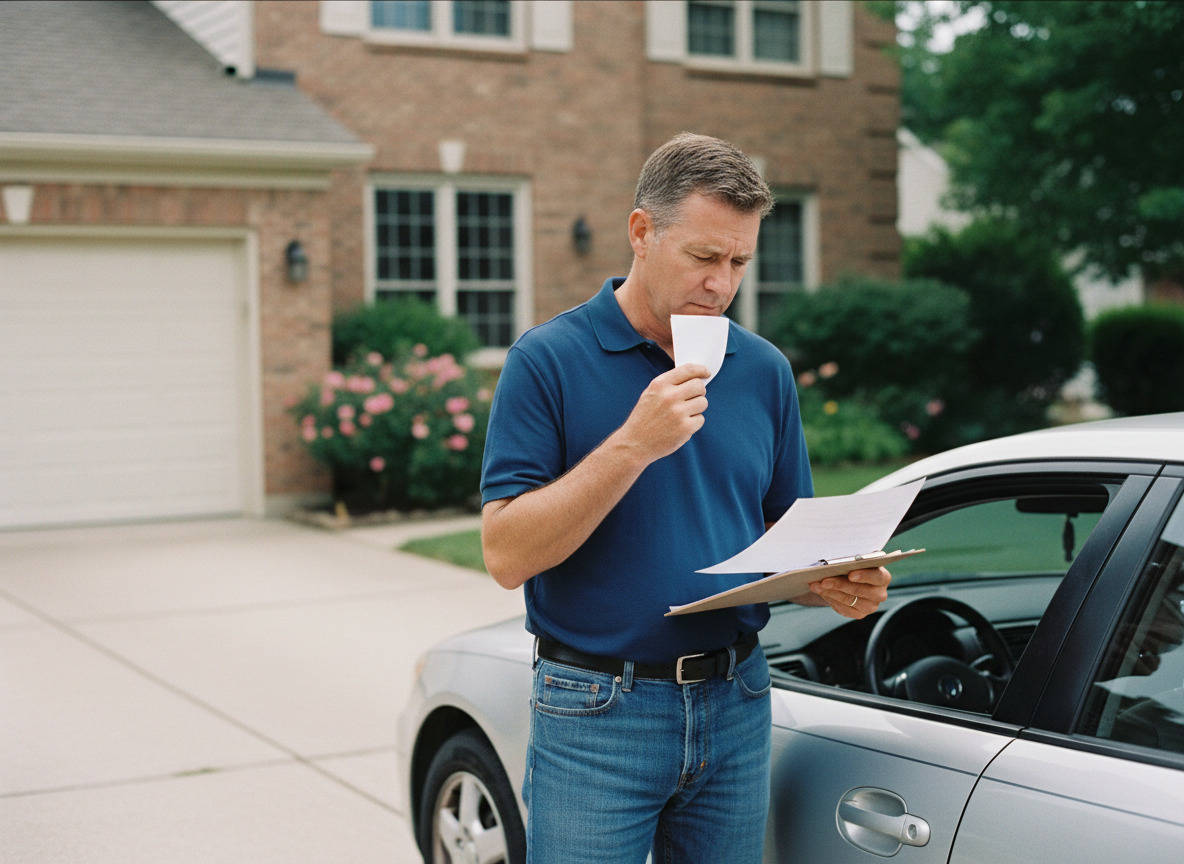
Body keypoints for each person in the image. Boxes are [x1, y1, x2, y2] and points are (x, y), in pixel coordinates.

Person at [480, 132, 891, 864]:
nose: (721, 285)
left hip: (737, 702)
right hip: (597, 712)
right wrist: (633, 444)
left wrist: (832, 582)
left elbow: (784, 536)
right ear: (642, 232)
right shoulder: (546, 361)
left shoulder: (762, 369)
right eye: (704, 257)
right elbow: (506, 555)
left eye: (739, 262)